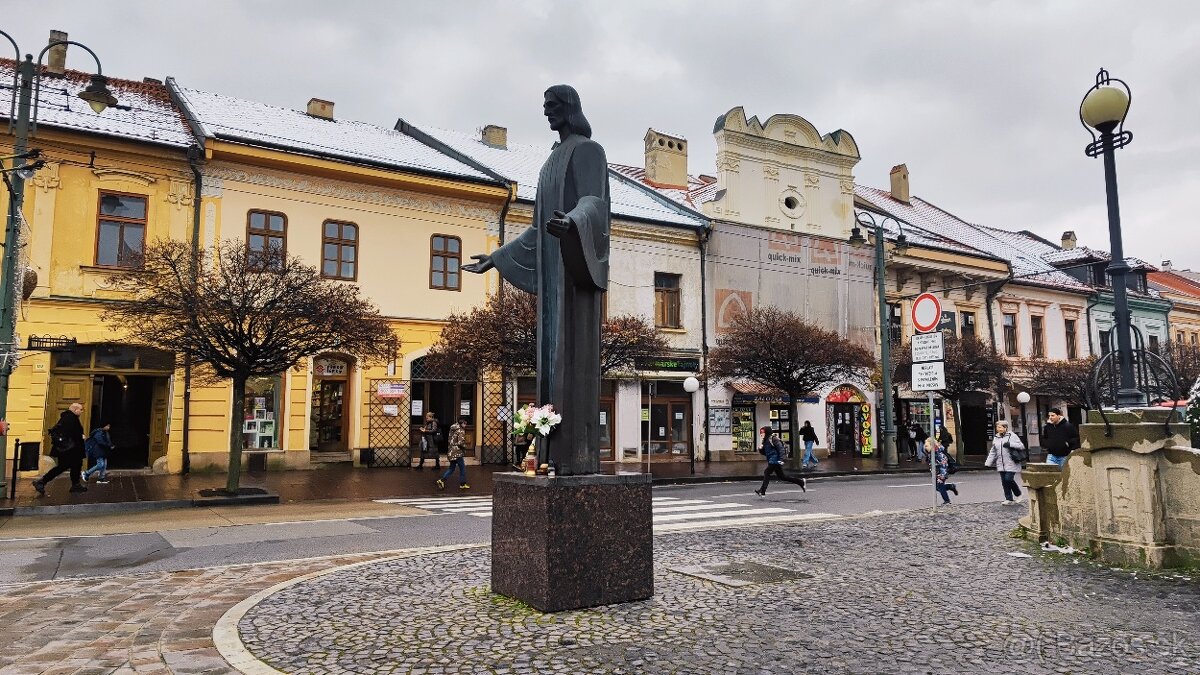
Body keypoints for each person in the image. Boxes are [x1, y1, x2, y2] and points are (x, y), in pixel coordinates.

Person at [33, 403, 87, 495]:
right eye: (81, 409)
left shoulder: (67, 417)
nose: (81, 412)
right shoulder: (70, 418)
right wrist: (81, 436)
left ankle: (75, 485)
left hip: (68, 448)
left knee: (75, 465)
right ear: (75, 409)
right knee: (63, 466)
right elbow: (71, 433)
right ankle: (42, 482)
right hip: (70, 449)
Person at [754, 426, 806, 497]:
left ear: (767, 432)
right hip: (772, 460)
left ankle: (762, 491)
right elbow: (766, 453)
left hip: (775, 460)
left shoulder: (773, 439)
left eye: (763, 433)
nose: (761, 434)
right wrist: (761, 450)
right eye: (761, 433)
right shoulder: (765, 441)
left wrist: (782, 459)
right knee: (782, 477)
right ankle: (801, 482)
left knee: (767, 472)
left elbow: (780, 449)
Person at [984, 420, 1026, 505]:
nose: (998, 429)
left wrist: (1010, 444)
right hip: (1000, 463)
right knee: (1004, 481)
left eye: (1000, 427)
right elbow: (993, 451)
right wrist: (988, 462)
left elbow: (1021, 446)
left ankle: (1018, 494)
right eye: (997, 427)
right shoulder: (996, 437)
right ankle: (1008, 498)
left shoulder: (1012, 436)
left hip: (1011, 462)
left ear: (1005, 428)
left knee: (1008, 479)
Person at [437, 416, 470, 491]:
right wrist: (465, 446)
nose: (466, 425)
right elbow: (460, 442)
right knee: (462, 468)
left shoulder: (453, 428)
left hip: (451, 451)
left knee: (452, 468)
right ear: (462, 422)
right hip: (457, 452)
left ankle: (441, 480)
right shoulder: (461, 430)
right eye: (465, 423)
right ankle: (462, 484)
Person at [928, 438, 958, 505]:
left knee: (940, 487)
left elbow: (943, 465)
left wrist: (941, 475)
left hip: (941, 473)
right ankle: (951, 486)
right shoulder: (933, 453)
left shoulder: (939, 454)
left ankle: (947, 501)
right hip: (937, 473)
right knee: (937, 488)